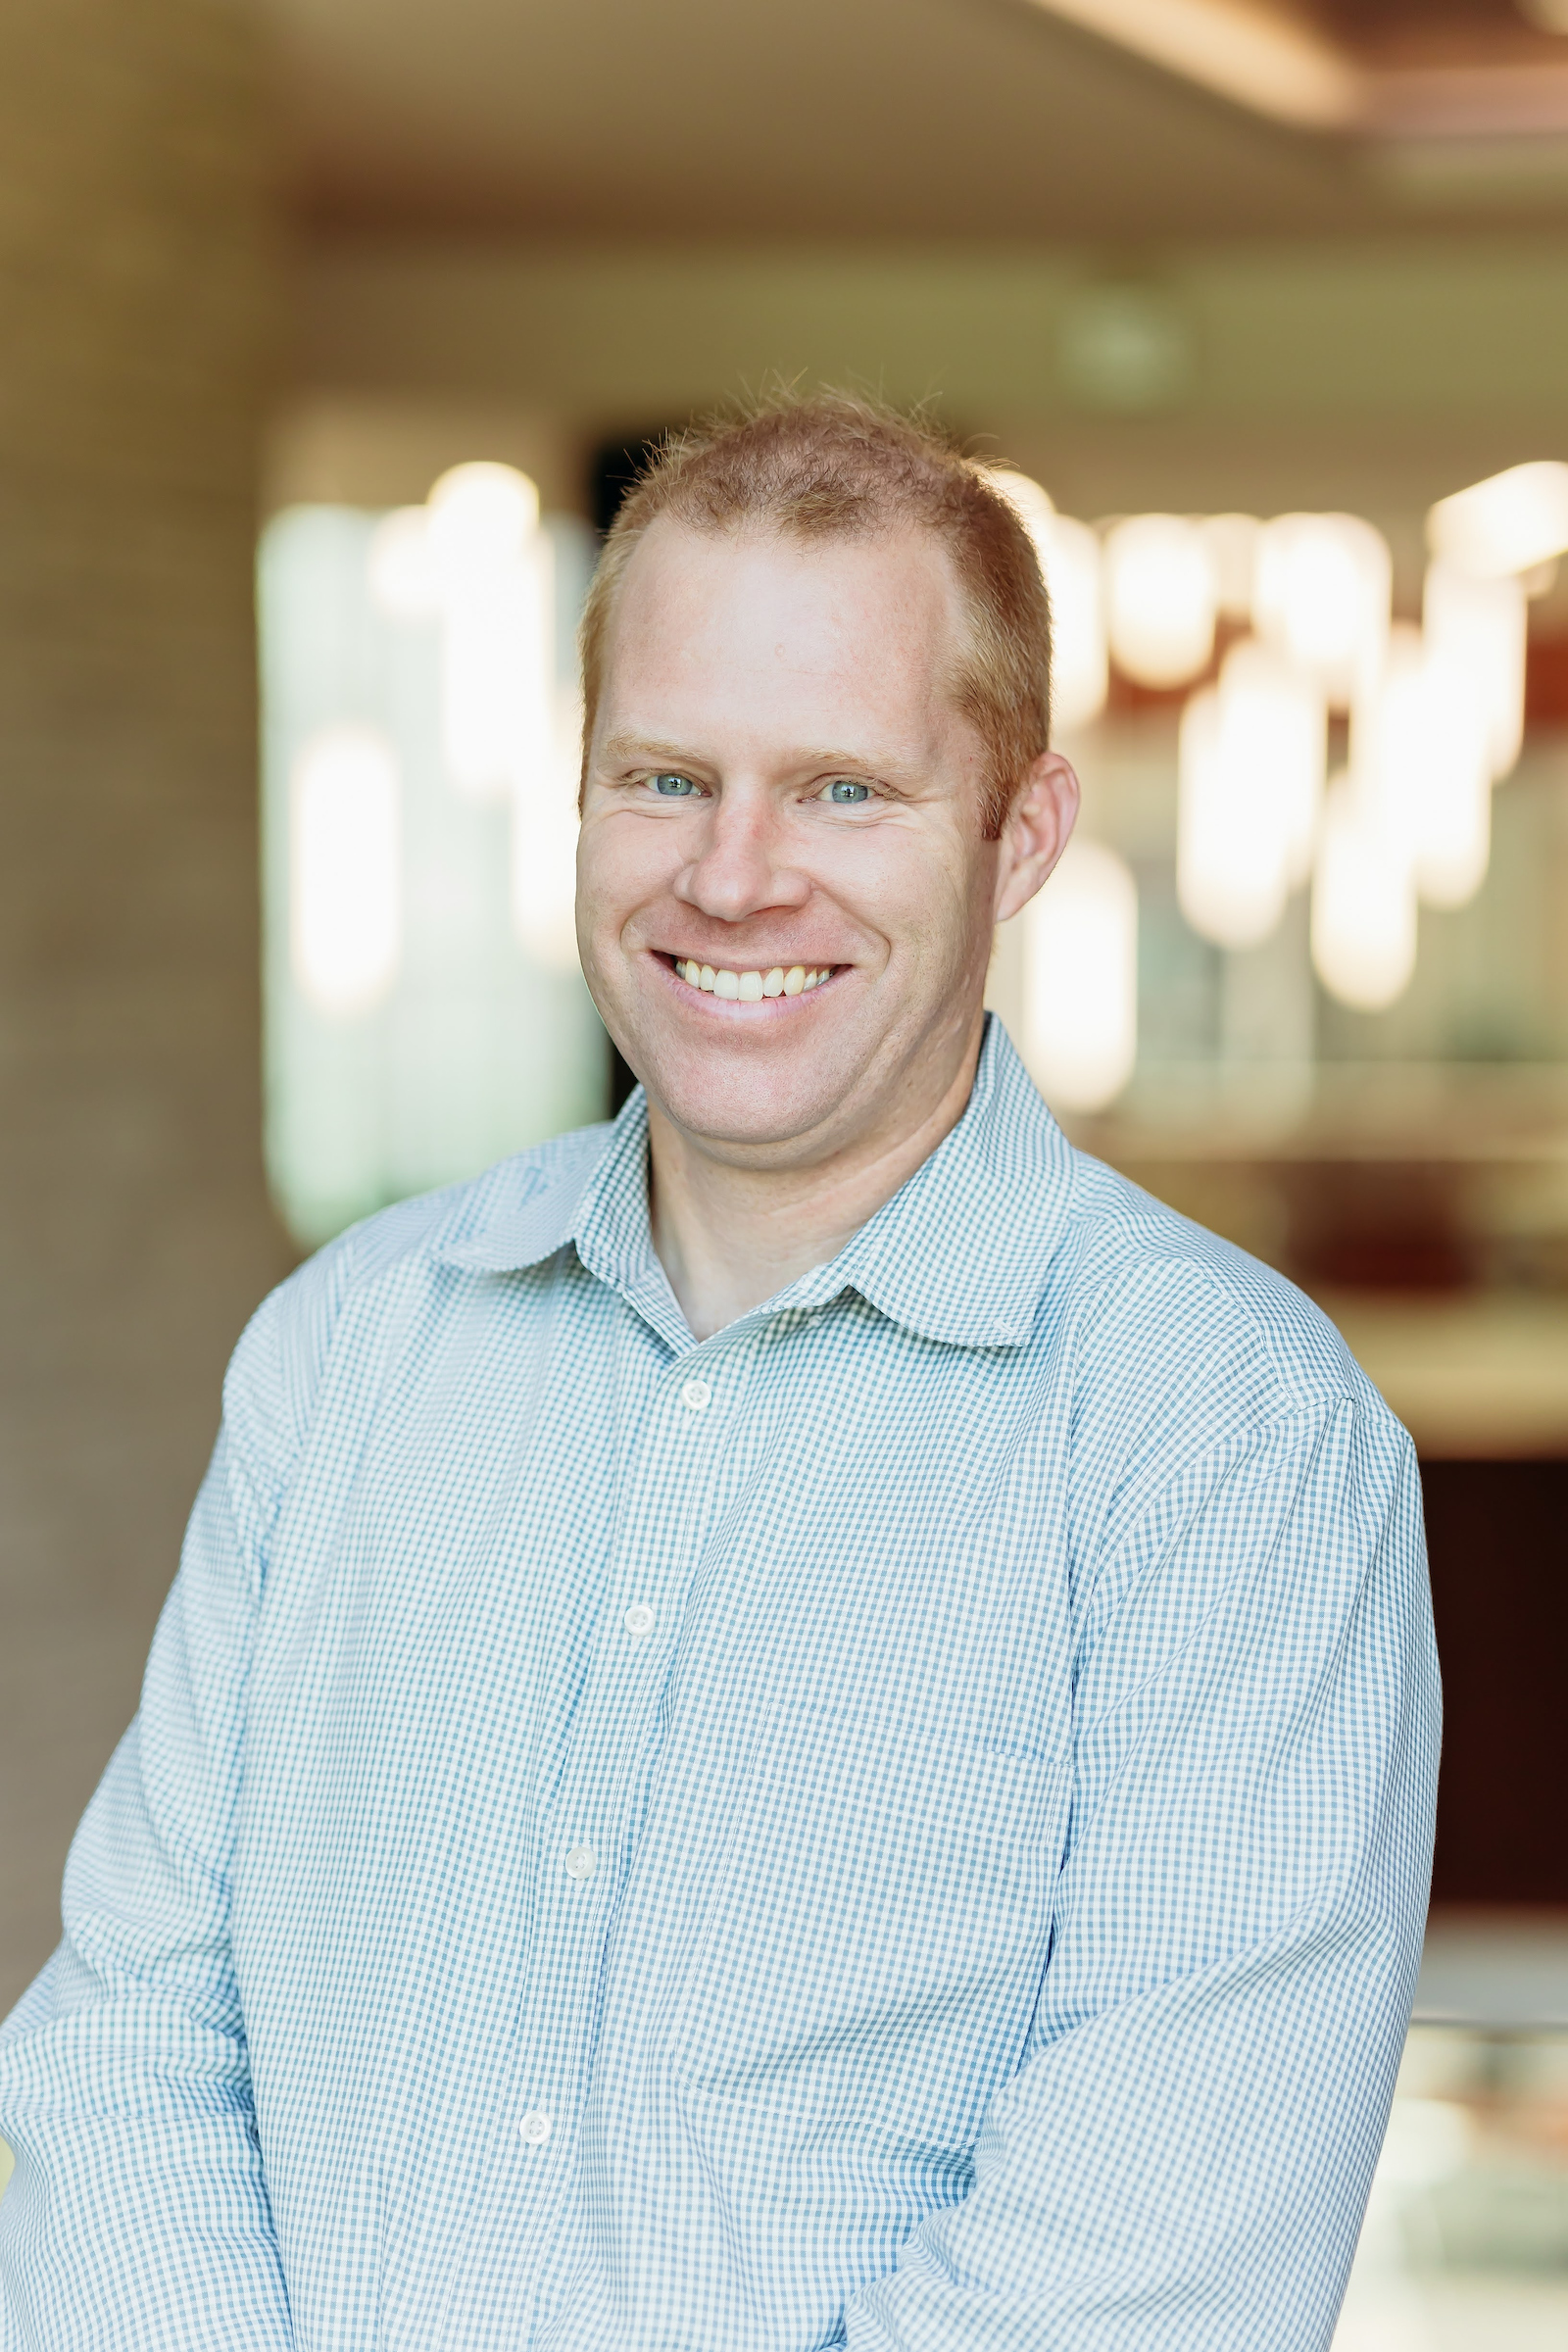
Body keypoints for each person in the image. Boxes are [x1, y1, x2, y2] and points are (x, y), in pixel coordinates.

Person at [0, 393, 1438, 2351]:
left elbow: (1143, 2279)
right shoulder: (350, 1353)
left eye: (841, 791)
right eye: (663, 779)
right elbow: (134, 2058)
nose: (734, 878)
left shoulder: (1227, 1447)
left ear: (1017, 836)